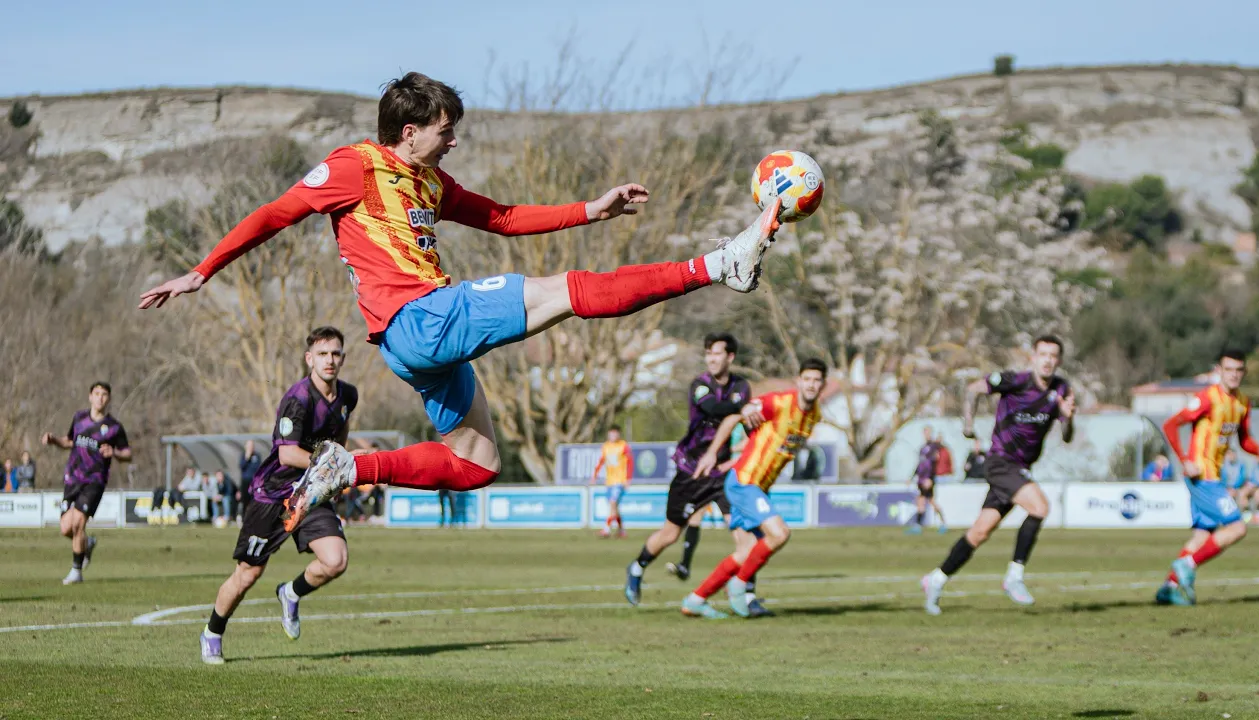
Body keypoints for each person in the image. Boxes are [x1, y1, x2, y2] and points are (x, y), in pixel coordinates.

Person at [138, 72, 783, 534]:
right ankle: (718, 264)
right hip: (420, 319)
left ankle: (349, 466)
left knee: (476, 465)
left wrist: (592, 208)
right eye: (447, 133)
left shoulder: (430, 180)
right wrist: (203, 270)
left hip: (417, 345)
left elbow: (501, 217)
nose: (454, 143)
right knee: (566, 291)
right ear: (410, 130)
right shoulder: (353, 166)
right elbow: (273, 213)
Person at [200, 327, 362, 665]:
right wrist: (333, 468)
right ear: (309, 359)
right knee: (248, 574)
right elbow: (288, 455)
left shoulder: (348, 395)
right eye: (322, 354)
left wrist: (337, 462)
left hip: (311, 493)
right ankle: (213, 633)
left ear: (343, 358)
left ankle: (290, 592)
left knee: (336, 560)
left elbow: (340, 438)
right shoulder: (297, 400)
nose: (329, 360)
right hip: (273, 496)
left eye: (335, 354)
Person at [921, 335, 1075, 615]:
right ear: (1033, 357)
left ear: (1059, 360)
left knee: (979, 533)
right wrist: (968, 425)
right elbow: (973, 389)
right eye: (1043, 354)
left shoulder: (1061, 389)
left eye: (1054, 355)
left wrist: (1068, 417)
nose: (1048, 360)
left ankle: (936, 579)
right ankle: (1014, 576)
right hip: (1000, 462)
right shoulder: (1015, 381)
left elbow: (1066, 437)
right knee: (1040, 507)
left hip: (1021, 468)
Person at [624, 334, 764, 612]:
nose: (711, 358)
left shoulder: (741, 387)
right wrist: (742, 408)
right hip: (691, 471)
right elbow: (715, 408)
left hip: (721, 473)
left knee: (746, 534)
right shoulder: (700, 385)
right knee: (669, 534)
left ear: (730, 357)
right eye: (708, 353)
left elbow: (745, 424)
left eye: (717, 353)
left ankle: (746, 594)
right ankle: (637, 568)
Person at [680, 358, 827, 619]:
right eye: (807, 379)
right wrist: (715, 452)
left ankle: (696, 599)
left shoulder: (814, 415)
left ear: (823, 384)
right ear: (799, 381)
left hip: (757, 486)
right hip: (745, 482)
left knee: (745, 551)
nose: (812, 384)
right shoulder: (779, 403)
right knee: (779, 533)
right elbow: (740, 413)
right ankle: (738, 585)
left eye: (817, 380)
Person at [1156, 350, 1259, 605]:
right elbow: (1171, 424)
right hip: (1202, 477)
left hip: (1214, 477)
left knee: (1201, 537)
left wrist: (1258, 449)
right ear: (1219, 370)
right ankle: (1188, 564)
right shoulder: (1207, 398)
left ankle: (1169, 587)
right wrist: (1186, 461)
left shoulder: (1242, 403)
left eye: (1238, 370)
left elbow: (1244, 441)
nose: (1233, 375)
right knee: (1237, 527)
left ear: (1244, 373)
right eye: (1228, 369)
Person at [41, 382, 132, 585]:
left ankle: (76, 571)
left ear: (108, 399)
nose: (100, 397)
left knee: (78, 522)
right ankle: (87, 543)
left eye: (104, 394)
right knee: (66, 528)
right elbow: (69, 441)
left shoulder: (114, 427)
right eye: (97, 393)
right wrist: (54, 439)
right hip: (72, 478)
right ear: (90, 396)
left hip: (95, 480)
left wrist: (115, 453)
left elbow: (128, 453)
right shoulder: (79, 418)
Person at [590, 425, 633, 538]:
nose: (613, 436)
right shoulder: (606, 446)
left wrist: (628, 479)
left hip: (620, 480)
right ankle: (621, 531)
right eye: (611, 433)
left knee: (613, 503)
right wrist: (594, 475)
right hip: (609, 481)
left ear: (619, 434)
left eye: (615, 433)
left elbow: (630, 462)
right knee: (615, 507)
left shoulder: (623, 446)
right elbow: (601, 461)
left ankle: (606, 529)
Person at [905, 427, 947, 535]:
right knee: (925, 501)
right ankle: (920, 526)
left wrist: (930, 478)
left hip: (928, 479)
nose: (926, 434)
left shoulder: (933, 447)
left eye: (928, 432)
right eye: (925, 432)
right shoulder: (922, 448)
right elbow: (920, 465)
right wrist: (912, 477)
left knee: (926, 501)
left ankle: (940, 524)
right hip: (921, 479)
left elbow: (933, 464)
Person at [237, 440, 262, 524]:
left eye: (252, 445)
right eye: (249, 445)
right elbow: (241, 466)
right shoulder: (243, 455)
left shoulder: (257, 456)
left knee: (255, 501)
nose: (251, 447)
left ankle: (254, 519)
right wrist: (247, 457)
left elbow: (258, 468)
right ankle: (244, 519)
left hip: (254, 482)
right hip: (245, 482)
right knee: (245, 501)